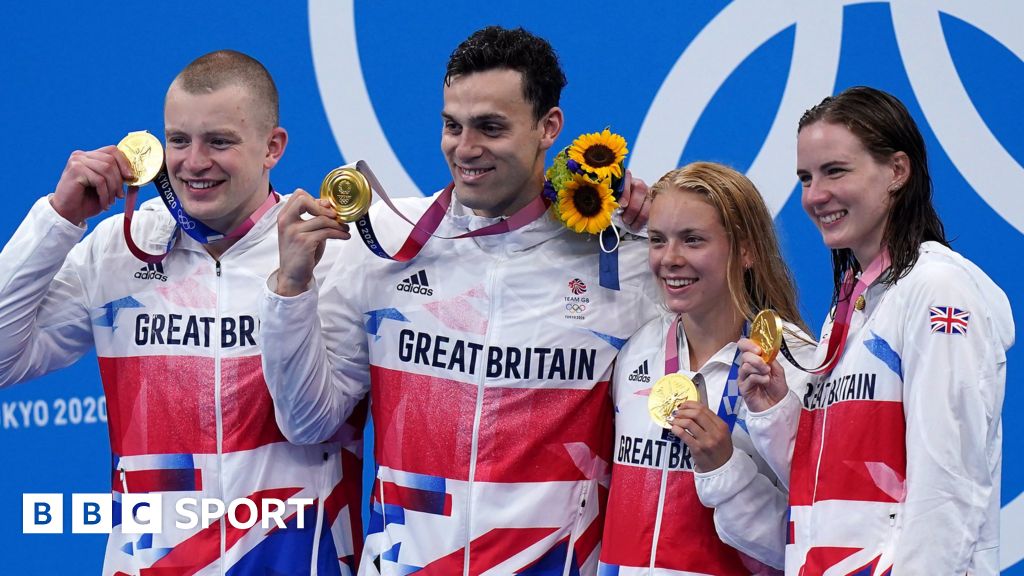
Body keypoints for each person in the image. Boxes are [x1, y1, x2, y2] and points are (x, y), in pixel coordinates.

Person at [259, 26, 658, 575]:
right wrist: (291, 291)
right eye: (453, 126)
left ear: (549, 127)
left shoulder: (620, 258)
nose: (465, 148)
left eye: (490, 128)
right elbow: (307, 422)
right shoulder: (383, 242)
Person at [0, 50, 363, 576]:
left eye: (219, 141)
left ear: (272, 148)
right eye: (178, 141)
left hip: (293, 561)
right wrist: (57, 221)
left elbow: (312, 423)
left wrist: (292, 287)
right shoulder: (119, 249)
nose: (193, 162)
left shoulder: (332, 257)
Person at [736, 86, 1013, 574]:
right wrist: (776, 409)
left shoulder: (937, 288)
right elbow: (828, 489)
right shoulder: (853, 303)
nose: (814, 195)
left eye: (835, 171)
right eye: (805, 177)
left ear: (897, 172)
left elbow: (948, 485)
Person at [597, 162, 815, 575]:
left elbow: (811, 539)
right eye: (658, 240)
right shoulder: (636, 352)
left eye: (693, 240)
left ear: (746, 249)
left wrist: (726, 467)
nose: (670, 259)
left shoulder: (794, 363)